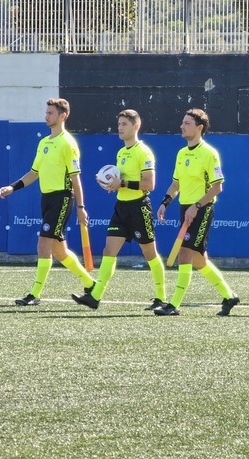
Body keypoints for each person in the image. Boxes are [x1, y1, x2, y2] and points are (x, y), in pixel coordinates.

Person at [0, 98, 96, 306]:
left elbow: (75, 178)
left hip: (62, 199)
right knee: (60, 251)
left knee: (43, 244)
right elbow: (34, 173)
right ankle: (90, 283)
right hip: (47, 199)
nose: (46, 116)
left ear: (63, 116)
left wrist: (80, 207)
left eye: (50, 113)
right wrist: (12, 187)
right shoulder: (44, 142)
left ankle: (35, 294)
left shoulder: (68, 143)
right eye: (46, 112)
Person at [71, 109, 167, 311]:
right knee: (109, 251)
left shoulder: (144, 151)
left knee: (150, 254)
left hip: (139, 207)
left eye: (124, 124)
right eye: (119, 124)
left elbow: (150, 184)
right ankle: (95, 296)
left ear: (136, 126)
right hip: (121, 207)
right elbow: (121, 182)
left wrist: (121, 183)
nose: (120, 128)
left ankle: (161, 297)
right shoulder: (121, 152)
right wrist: (113, 184)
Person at [154, 108, 239, 317]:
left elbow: (217, 187)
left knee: (185, 254)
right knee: (200, 260)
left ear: (199, 128)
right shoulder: (181, 153)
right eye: (182, 123)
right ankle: (229, 296)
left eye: (187, 123)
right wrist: (165, 202)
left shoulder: (209, 154)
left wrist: (197, 206)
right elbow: (176, 184)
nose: (182, 126)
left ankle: (173, 304)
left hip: (202, 209)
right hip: (185, 209)